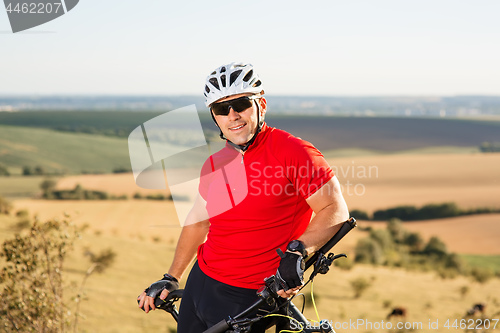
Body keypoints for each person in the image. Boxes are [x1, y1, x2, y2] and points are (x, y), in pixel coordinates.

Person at [137, 62, 349, 332]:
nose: (233, 115)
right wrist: (172, 277)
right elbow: (199, 221)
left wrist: (297, 252)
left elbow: (335, 209)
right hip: (200, 283)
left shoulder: (294, 152)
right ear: (215, 117)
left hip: (249, 298)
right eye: (222, 109)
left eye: (241, 104)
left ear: (261, 104)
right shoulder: (215, 163)